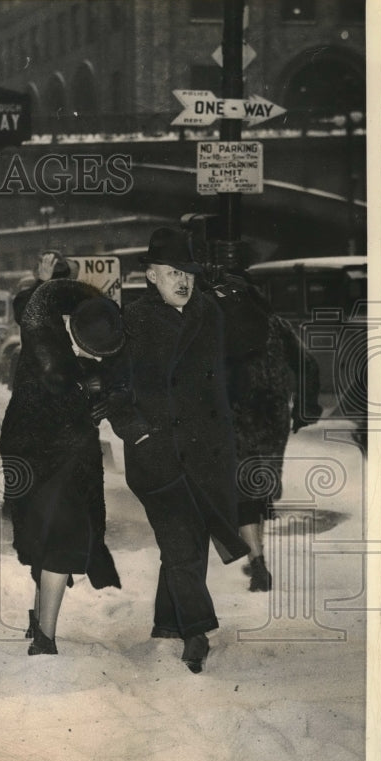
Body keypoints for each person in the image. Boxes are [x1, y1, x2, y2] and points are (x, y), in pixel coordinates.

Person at [110, 227, 250, 673]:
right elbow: (112, 389)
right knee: (179, 544)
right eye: (171, 273)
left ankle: (168, 624)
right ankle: (196, 630)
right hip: (157, 454)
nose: (181, 281)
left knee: (191, 541)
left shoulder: (209, 312)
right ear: (150, 276)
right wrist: (139, 433)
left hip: (206, 449)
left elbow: (231, 372)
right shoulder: (132, 320)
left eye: (187, 271)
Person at [0, 279, 126, 655]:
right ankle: (44, 638)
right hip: (54, 458)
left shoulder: (44, 339)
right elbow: (60, 381)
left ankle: (40, 623)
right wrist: (90, 386)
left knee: (49, 538)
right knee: (61, 541)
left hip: (40, 456)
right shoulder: (45, 337)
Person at [200, 257, 322, 592]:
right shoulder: (276, 324)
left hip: (237, 416)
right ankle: (258, 555)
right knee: (259, 487)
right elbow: (308, 366)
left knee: (242, 495)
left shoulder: (215, 327)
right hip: (274, 417)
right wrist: (306, 408)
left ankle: (257, 561)